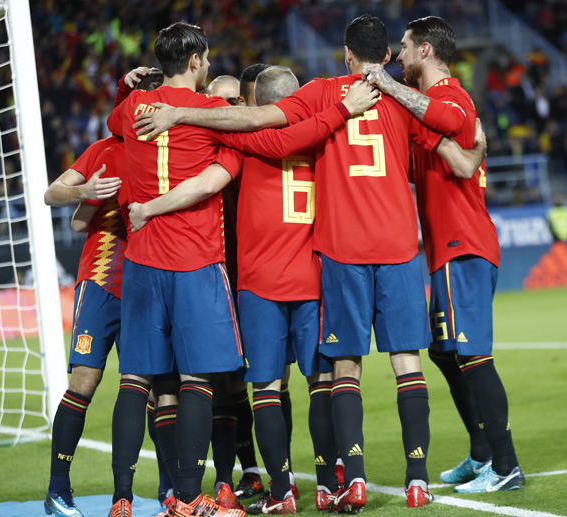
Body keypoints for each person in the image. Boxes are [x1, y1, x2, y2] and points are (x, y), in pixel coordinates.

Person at [133, 14, 484, 512]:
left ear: (345, 54)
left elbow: (254, 122)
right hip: (387, 254)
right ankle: (411, 479)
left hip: (320, 262)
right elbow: (462, 150)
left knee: (326, 374)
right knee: (405, 366)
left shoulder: (315, 101)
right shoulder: (402, 101)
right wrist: (477, 140)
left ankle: (324, 484)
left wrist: (178, 113)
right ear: (386, 57)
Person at [129, 66, 380, 515]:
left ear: (256, 103)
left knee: (264, 389)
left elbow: (237, 138)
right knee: (319, 383)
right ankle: (329, 483)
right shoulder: (322, 140)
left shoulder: (243, 142)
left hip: (259, 283)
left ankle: (281, 492)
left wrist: (180, 116)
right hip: (312, 278)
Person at [365, 16, 525, 493]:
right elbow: (445, 161)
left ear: (427, 51)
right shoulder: (427, 111)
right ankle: (482, 453)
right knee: (443, 350)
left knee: (473, 355)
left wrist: (389, 89)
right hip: (444, 250)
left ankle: (506, 464)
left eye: (406, 48)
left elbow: (453, 125)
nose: (399, 56)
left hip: (464, 244)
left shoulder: (449, 96)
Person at [106, 22, 247, 517]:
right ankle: (188, 499)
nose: (207, 67)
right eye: (205, 59)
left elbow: (112, 123)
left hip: (141, 263)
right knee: (196, 381)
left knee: (135, 381)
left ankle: (122, 499)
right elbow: (213, 180)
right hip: (194, 260)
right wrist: (158, 206)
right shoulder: (214, 112)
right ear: (193, 61)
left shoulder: (131, 109)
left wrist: (128, 86)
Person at [41, 68, 164, 517]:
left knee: (149, 389)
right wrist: (86, 190)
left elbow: (78, 221)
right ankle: (58, 489)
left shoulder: (171, 150)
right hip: (101, 281)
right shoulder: (105, 150)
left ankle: (155, 492)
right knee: (84, 383)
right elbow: (53, 192)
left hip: (150, 284)